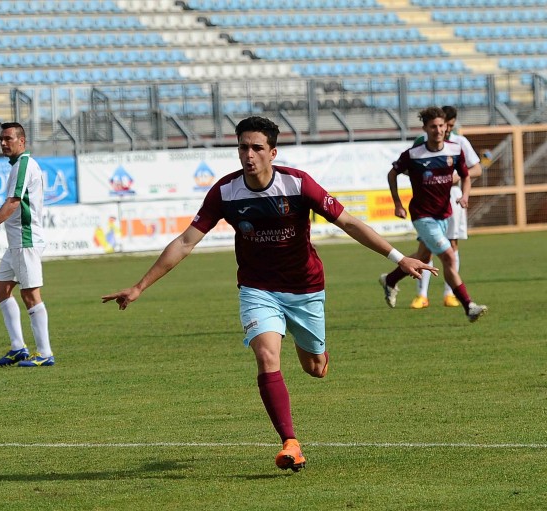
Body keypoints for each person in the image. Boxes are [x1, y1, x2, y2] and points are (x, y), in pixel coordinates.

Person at [101, 116, 435, 471]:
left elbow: (349, 223)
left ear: (272, 152)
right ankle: (290, 443)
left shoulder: (298, 184)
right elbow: (185, 242)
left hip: (305, 288)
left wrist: (399, 258)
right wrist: (139, 286)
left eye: (257, 148)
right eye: (243, 147)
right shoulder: (226, 192)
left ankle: (316, 352)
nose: (249, 155)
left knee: (315, 369)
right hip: (257, 289)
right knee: (266, 356)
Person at [379, 106, 488, 321]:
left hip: (443, 214)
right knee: (448, 256)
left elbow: (466, 175)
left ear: (446, 127)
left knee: (423, 257)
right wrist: (398, 203)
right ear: (425, 129)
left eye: (441, 126)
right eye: (433, 127)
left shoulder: (455, 150)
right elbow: (392, 174)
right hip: (422, 216)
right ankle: (469, 306)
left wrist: (465, 195)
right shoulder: (414, 154)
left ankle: (390, 280)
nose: (438, 130)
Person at [0, 122, 54, 368]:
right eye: (1, 139)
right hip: (17, 242)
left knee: (30, 294)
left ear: (22, 141)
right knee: (1, 290)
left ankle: (45, 353)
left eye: (8, 138)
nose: (3, 143)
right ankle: (18, 347)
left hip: (25, 239)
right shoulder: (20, 165)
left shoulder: (23, 165)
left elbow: (13, 202)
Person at [409, 106, 483, 309]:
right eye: (442, 125)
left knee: (452, 244)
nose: (445, 130)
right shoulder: (421, 142)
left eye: (449, 126)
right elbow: (408, 168)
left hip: (453, 198)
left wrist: (457, 176)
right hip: (427, 200)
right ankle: (421, 295)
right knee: (426, 248)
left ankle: (449, 294)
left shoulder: (460, 142)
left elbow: (476, 168)